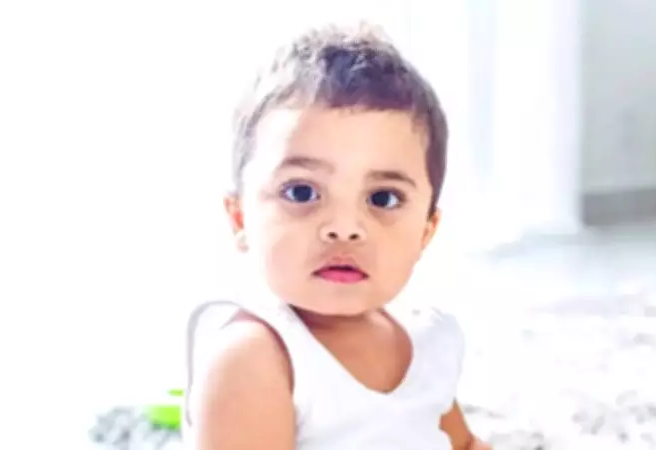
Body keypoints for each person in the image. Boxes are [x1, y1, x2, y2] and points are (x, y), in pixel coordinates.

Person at [184, 22, 490, 450]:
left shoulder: (427, 341)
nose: (344, 227)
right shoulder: (254, 358)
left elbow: (466, 446)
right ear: (240, 219)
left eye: (382, 198)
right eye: (302, 192)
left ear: (426, 231)